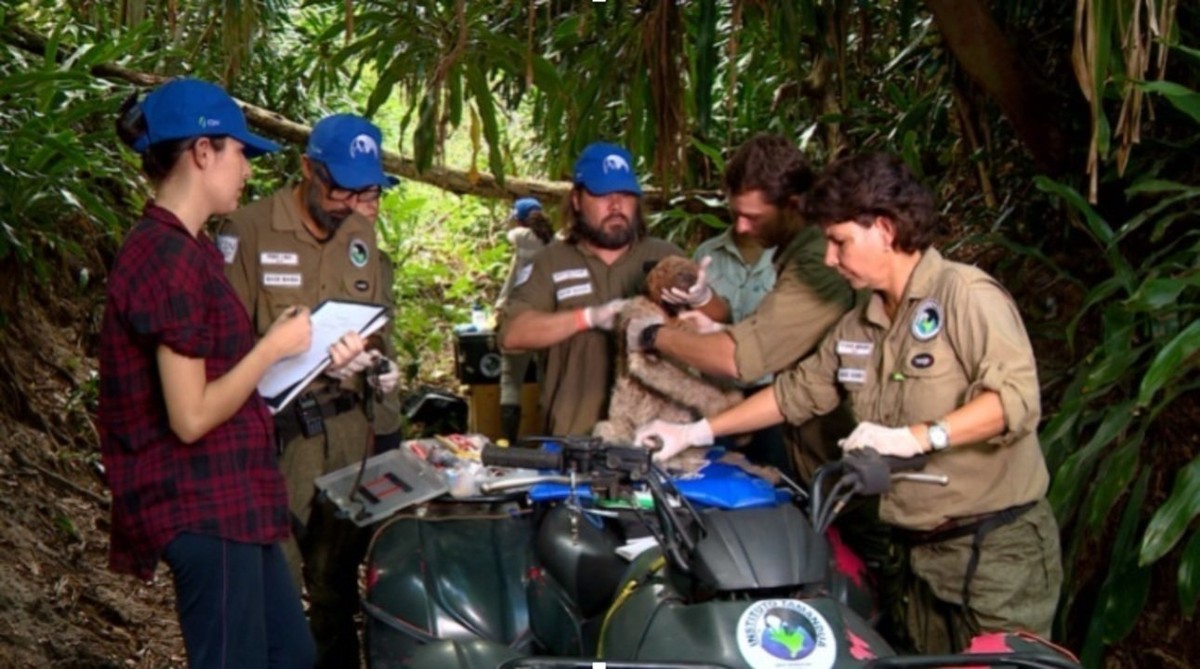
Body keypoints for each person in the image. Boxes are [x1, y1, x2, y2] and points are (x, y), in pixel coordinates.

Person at [637, 152, 1063, 654]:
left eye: (839, 242)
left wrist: (915, 438)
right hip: (914, 558)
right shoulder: (862, 323)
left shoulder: (965, 296)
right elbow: (795, 393)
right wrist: (694, 433)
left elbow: (1014, 400)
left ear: (883, 229)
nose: (829, 258)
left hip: (996, 555)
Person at [99, 78, 363, 668]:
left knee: (290, 656)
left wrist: (308, 351)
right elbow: (190, 416)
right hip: (202, 504)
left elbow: (226, 376)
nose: (247, 167)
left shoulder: (191, 247)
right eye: (240, 151)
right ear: (201, 152)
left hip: (237, 499)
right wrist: (270, 349)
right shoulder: (165, 256)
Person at [216, 113, 402, 667]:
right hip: (278, 443)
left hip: (351, 438)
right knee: (272, 586)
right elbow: (223, 351)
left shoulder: (362, 235)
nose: (353, 203)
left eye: (366, 191)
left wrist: (373, 367)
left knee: (338, 589)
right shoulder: (246, 231)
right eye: (342, 187)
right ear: (307, 170)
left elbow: (380, 334)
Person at [630, 134, 855, 480]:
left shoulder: (817, 262)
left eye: (753, 217)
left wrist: (651, 335)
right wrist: (714, 329)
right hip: (803, 444)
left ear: (793, 206)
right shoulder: (795, 253)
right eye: (736, 214)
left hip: (841, 459)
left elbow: (738, 359)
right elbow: (795, 382)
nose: (741, 228)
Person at [497, 142, 692, 436]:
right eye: (603, 194)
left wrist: (700, 296)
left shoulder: (666, 257)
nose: (616, 205)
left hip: (656, 440)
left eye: (626, 195)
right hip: (573, 439)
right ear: (576, 200)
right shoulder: (549, 261)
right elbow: (512, 336)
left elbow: (719, 323)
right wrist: (587, 318)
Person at [494, 197, 554, 442]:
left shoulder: (520, 237)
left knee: (510, 381)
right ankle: (551, 440)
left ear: (518, 219)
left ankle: (509, 443)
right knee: (549, 382)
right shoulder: (557, 243)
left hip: (520, 318)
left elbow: (513, 238)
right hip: (550, 319)